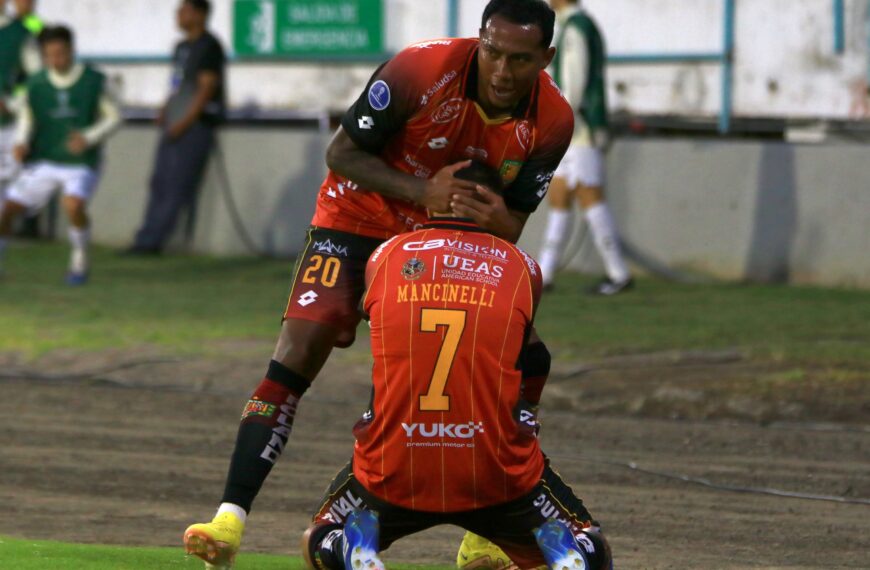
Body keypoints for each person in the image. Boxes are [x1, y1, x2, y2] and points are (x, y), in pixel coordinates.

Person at [183, 1, 575, 568]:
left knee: (527, 359)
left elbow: (514, 223)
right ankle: (228, 520)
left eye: (519, 59)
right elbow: (340, 153)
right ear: (479, 40)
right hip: (355, 220)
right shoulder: (420, 70)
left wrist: (483, 215)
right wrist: (422, 193)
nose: (501, 70)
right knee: (299, 349)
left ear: (546, 58)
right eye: (492, 51)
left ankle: (488, 527)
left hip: (439, 239)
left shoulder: (554, 121)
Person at [298, 162, 612, 570]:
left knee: (317, 535)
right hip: (493, 467)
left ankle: (347, 546)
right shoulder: (521, 266)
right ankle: (567, 552)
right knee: (593, 542)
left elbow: (376, 323)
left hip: (396, 462)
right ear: (492, 203)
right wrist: (526, 417)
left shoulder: (386, 255)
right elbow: (534, 356)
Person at [0, 25, 121, 283]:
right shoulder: (37, 84)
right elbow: (26, 118)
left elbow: (115, 117)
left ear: (72, 51)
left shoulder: (92, 81)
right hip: (45, 159)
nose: (57, 60)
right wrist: (21, 142)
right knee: (7, 209)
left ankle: (79, 261)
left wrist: (88, 137)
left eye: (61, 54)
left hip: (80, 161)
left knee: (73, 204)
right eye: (51, 55)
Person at [537, 0, 633, 295]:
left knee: (590, 196)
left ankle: (619, 274)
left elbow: (575, 82)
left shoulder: (576, 28)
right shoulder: (574, 26)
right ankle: (544, 273)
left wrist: (560, 119)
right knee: (560, 195)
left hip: (579, 129)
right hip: (576, 128)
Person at [126, 0, 225, 254]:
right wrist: (165, 108)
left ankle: (153, 241)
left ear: (200, 14)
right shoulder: (181, 47)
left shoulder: (209, 47)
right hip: (173, 123)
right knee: (159, 181)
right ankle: (145, 235)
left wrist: (184, 121)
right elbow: (176, 84)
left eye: (184, 11)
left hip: (193, 126)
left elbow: (206, 88)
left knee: (176, 183)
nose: (178, 16)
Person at [0, 0, 41, 206]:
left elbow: (39, 80)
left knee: (7, 184)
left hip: (7, 123)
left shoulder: (21, 34)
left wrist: (11, 103)